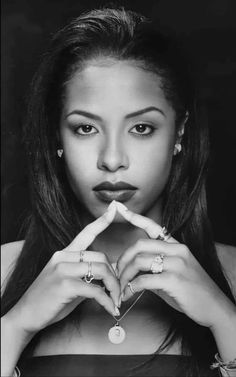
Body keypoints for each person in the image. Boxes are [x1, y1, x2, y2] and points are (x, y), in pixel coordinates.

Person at [1, 7, 236, 377]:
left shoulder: (232, 275)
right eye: (85, 129)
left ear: (178, 134)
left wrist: (225, 320)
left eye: (141, 128)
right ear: (56, 137)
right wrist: (14, 328)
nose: (112, 160)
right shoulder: (3, 271)